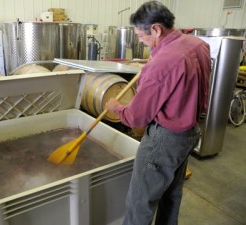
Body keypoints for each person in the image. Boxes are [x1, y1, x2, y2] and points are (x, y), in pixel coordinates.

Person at [105, 1, 211, 225]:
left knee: (140, 202)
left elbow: (136, 118)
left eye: (141, 37)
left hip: (164, 140)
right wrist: (155, 63)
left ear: (156, 29)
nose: (141, 43)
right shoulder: (198, 44)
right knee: (172, 194)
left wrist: (115, 107)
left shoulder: (162, 63)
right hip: (190, 133)